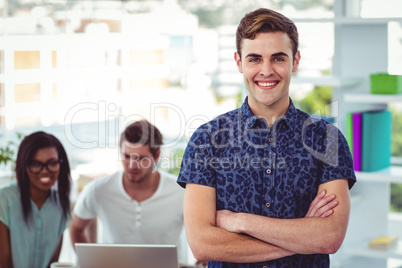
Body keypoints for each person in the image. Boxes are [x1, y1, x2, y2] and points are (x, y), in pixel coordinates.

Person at [177, 8, 356, 268]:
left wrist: (241, 222)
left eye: (278, 58)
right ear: (239, 62)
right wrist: (301, 237)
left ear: (295, 61)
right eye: (254, 59)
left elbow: (329, 237)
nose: (266, 70)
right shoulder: (206, 140)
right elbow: (202, 245)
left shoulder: (327, 139)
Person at [69, 120, 185, 261]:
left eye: (141, 158)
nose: (132, 165)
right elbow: (76, 227)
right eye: (127, 156)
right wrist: (90, 262)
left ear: (156, 155)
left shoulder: (181, 192)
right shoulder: (98, 189)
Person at [0, 131, 72, 268]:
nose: (45, 171)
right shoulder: (5, 199)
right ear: (24, 166)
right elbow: (4, 262)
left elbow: (53, 263)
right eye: (35, 164)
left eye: (52, 163)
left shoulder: (62, 205)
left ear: (60, 164)